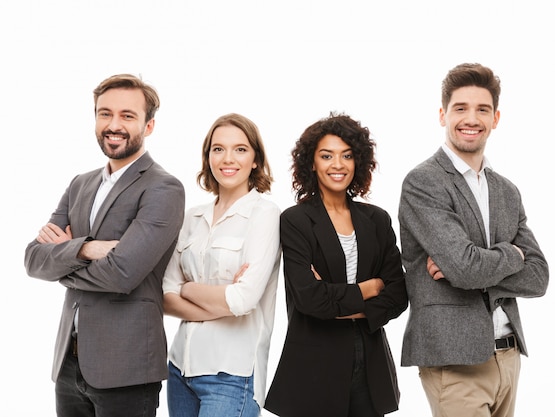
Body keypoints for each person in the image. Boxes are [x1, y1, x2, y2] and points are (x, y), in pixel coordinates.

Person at [24, 74, 185, 417]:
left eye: (128, 115)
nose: (114, 125)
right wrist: (85, 249)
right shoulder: (80, 184)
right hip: (69, 363)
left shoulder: (163, 188)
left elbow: (122, 274)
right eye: (104, 113)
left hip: (126, 368)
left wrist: (63, 263)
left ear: (149, 125)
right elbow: (33, 259)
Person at [399, 63, 549, 417]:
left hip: (508, 356)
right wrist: (512, 254)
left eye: (482, 109)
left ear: (496, 118)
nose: (472, 118)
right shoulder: (424, 183)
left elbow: (539, 276)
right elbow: (465, 268)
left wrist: (475, 267)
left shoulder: (506, 191)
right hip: (455, 360)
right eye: (460, 108)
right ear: (442, 115)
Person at [264, 113, 408, 417]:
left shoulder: (377, 220)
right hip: (313, 369)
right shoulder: (296, 221)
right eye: (326, 156)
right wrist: (369, 288)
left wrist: (335, 299)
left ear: (358, 162)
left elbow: (397, 296)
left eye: (347, 156)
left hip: (370, 368)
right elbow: (310, 299)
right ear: (312, 163)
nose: (338, 164)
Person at [162, 113, 281, 417]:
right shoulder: (192, 217)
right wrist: (221, 301)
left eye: (240, 149)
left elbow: (244, 300)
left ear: (256, 159)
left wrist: (187, 288)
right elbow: (164, 295)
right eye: (218, 149)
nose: (228, 158)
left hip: (232, 375)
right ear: (208, 156)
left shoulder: (264, 214)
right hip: (179, 368)